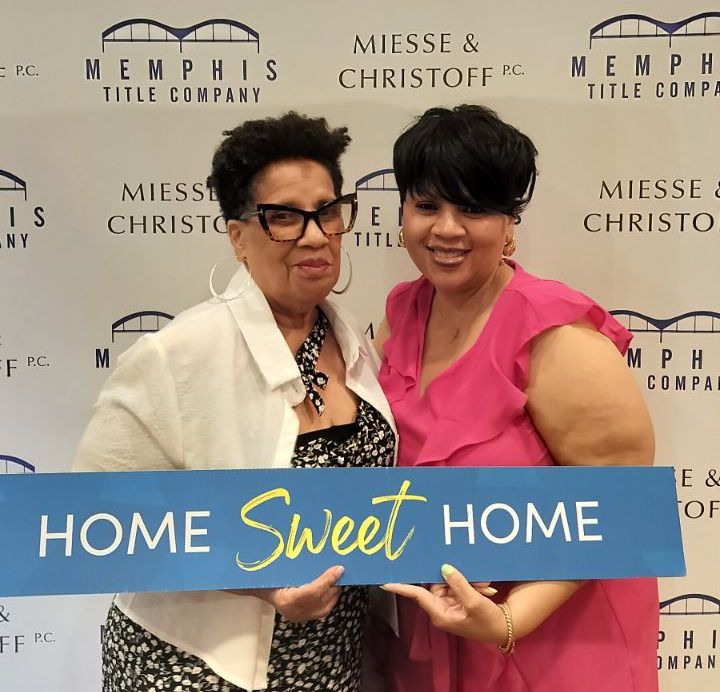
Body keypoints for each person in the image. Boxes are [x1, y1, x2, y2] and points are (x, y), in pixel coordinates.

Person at [74, 112, 397, 692]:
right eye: (283, 217)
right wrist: (262, 586)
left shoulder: (355, 343)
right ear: (238, 235)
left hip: (331, 659)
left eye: (327, 211)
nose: (315, 236)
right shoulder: (176, 355)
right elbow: (98, 521)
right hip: (194, 664)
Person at [376, 105, 658, 692]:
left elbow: (624, 513)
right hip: (438, 632)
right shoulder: (402, 312)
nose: (446, 229)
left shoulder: (555, 333)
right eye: (427, 206)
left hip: (557, 644)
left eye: (473, 209)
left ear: (509, 222)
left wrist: (507, 621)